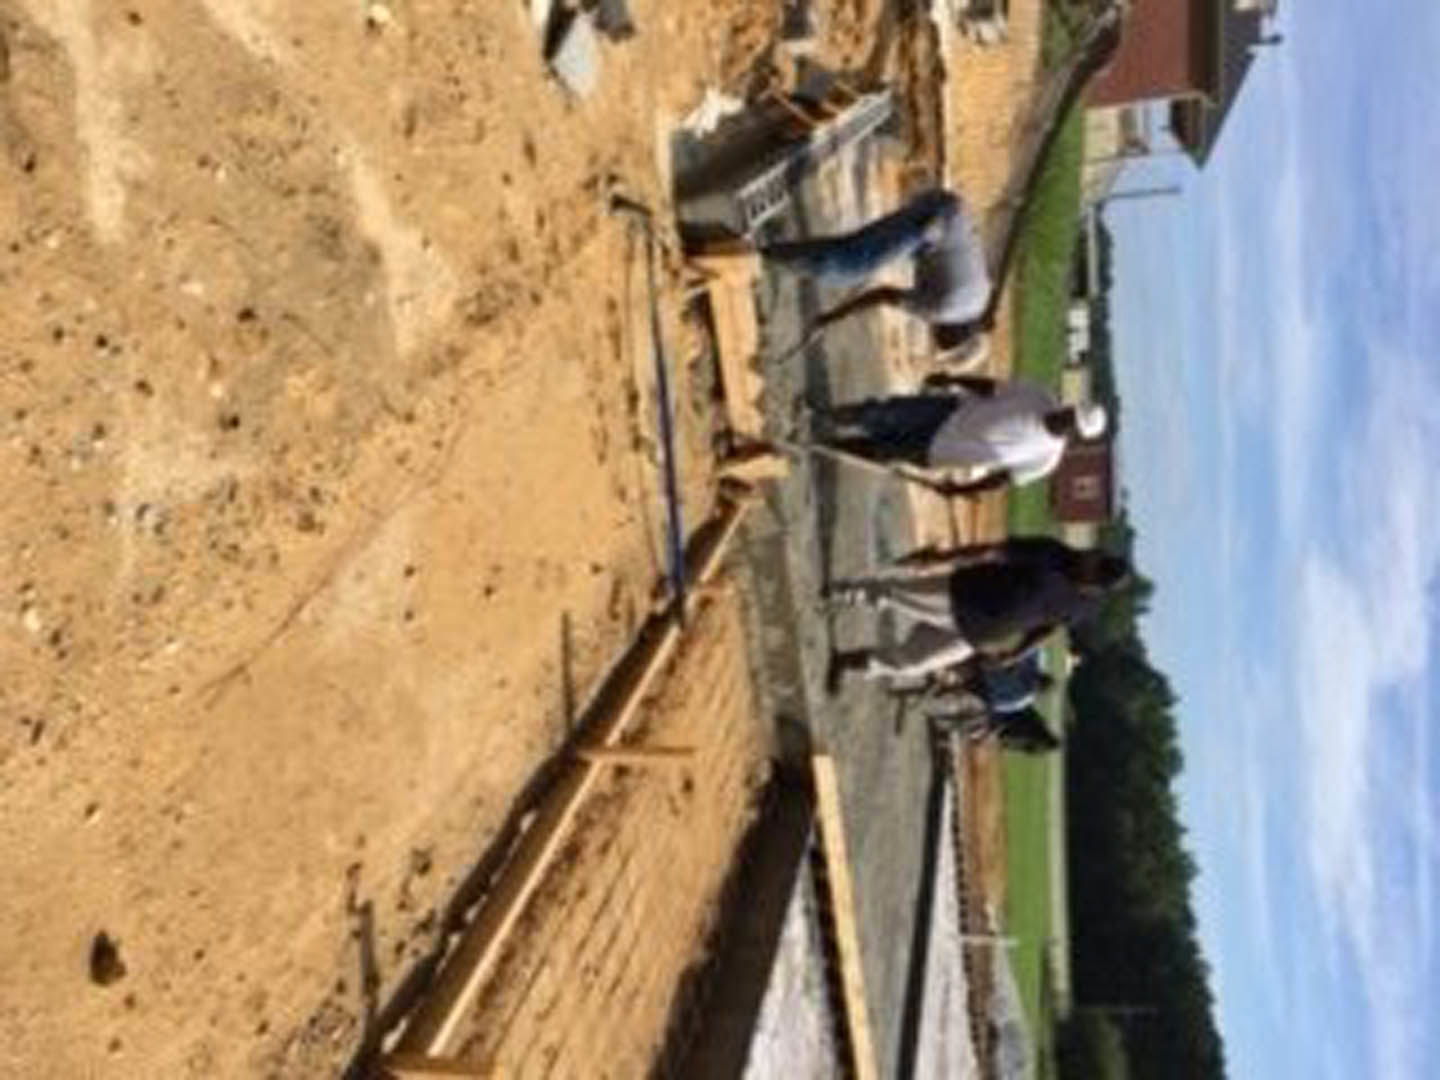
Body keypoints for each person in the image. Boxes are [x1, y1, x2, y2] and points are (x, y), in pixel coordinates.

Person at [825, 537, 1128, 683]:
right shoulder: (1053, 553)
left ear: (1095, 584)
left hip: (975, 636)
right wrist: (942, 558)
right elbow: (993, 550)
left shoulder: (1082, 606)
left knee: (912, 665)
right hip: (960, 595)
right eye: (1095, 553)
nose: (1087, 553)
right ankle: (838, 594)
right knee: (893, 594)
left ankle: (846, 662)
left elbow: (1048, 628)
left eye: (1093, 560)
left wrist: (1016, 654)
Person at [808, 378, 1106, 496]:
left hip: (942, 450)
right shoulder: (1039, 394)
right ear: (1071, 405)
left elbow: (1002, 480)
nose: (1066, 417)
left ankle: (818, 447)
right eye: (1071, 411)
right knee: (883, 412)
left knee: (880, 450)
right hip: (947, 410)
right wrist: (953, 378)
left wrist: (961, 490)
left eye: (1073, 422)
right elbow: (991, 388)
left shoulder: (1047, 458)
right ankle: (818, 415)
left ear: (1075, 433)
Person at [761, 188, 993, 333]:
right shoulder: (942, 312)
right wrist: (831, 318)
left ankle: (779, 252)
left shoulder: (978, 302)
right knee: (850, 267)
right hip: (932, 223)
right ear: (946, 333)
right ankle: (764, 256)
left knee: (852, 252)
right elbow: (884, 295)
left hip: (947, 211)